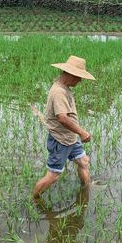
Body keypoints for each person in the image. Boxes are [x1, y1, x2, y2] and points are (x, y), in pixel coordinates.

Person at [32, 55, 95, 198]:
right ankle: (34, 199)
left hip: (71, 137)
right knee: (53, 175)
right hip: (61, 140)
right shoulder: (58, 92)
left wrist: (77, 133)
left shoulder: (63, 87)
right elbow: (62, 118)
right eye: (78, 77)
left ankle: (86, 191)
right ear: (70, 74)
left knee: (83, 162)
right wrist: (82, 132)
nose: (80, 80)